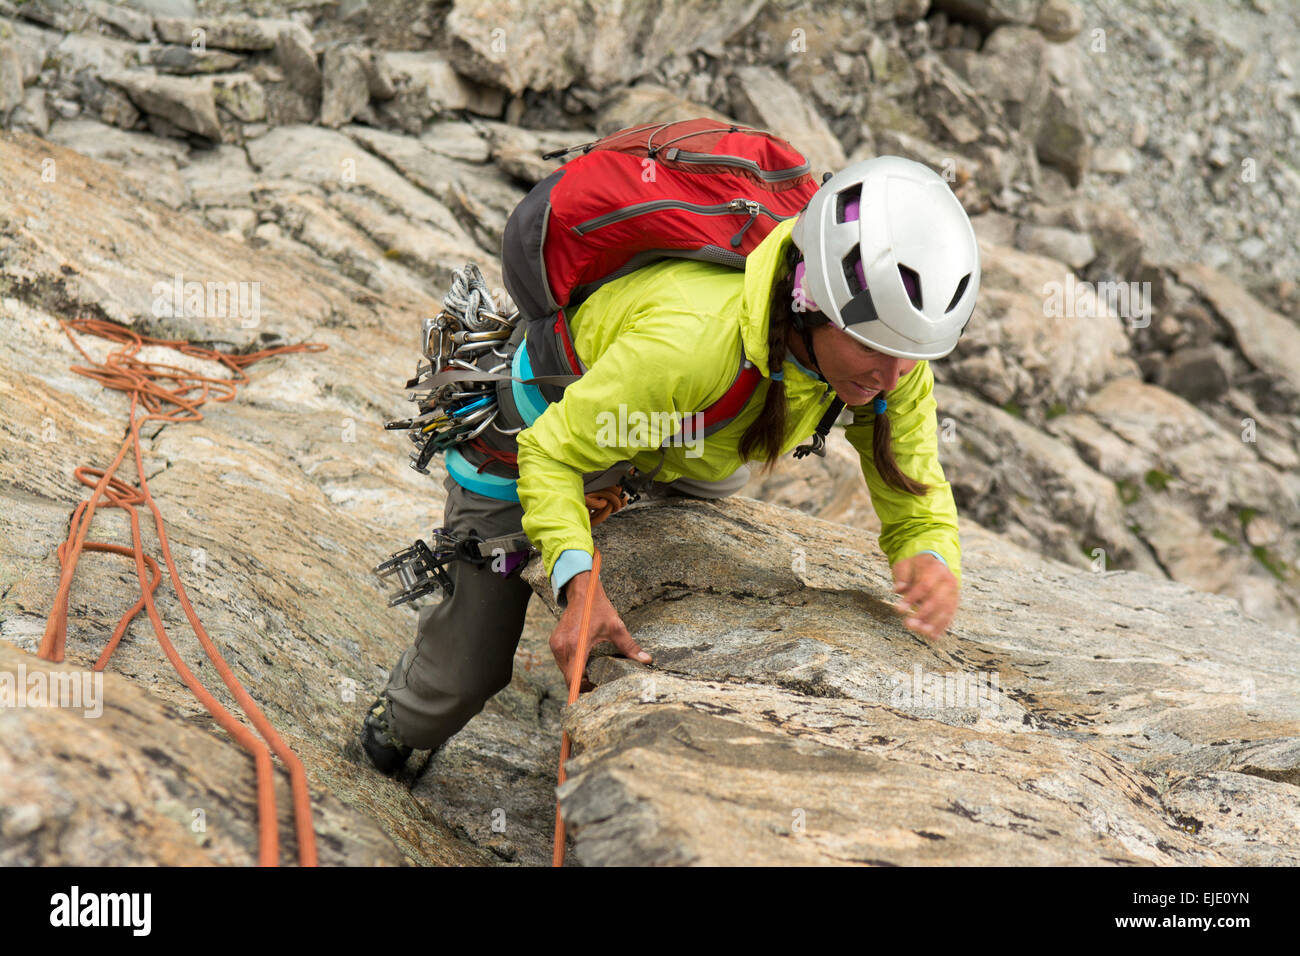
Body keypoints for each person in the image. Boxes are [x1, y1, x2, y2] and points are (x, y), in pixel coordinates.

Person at [361, 155, 979, 774]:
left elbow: (912, 474)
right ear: (810, 304)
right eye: (874, 349)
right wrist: (578, 583)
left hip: (657, 434)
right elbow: (548, 452)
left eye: (909, 356)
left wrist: (928, 548)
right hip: (533, 428)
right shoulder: (692, 346)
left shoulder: (885, 360)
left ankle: (624, 481)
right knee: (470, 671)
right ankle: (400, 722)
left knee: (720, 471)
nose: (893, 377)